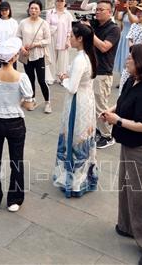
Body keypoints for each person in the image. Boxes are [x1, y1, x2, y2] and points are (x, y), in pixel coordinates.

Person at [102, 44, 142, 265]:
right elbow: (121, 103)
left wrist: (116, 120)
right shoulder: (131, 80)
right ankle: (127, 226)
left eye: (131, 58)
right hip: (129, 143)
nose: (126, 61)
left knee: (140, 196)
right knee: (125, 188)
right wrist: (111, 110)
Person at [0, 37, 34, 212]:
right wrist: (20, 103)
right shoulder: (22, 78)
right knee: (16, 160)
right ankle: (14, 200)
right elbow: (28, 104)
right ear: (14, 57)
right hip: (16, 123)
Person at [53, 23, 98, 197]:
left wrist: (64, 79)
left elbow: (72, 88)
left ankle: (73, 182)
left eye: (71, 36)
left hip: (77, 102)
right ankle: (84, 178)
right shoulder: (88, 55)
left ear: (80, 39)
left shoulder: (80, 59)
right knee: (83, 137)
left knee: (74, 138)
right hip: (86, 99)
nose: (69, 38)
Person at [90, 0, 121, 149]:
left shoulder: (114, 29)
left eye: (101, 10)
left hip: (103, 72)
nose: (97, 12)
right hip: (92, 70)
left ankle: (107, 136)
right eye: (97, 9)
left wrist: (90, 33)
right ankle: (99, 130)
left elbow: (104, 47)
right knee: (92, 104)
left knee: (101, 105)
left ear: (110, 12)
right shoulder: (96, 25)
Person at [17, 0, 52, 113]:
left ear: (40, 10)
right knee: (30, 79)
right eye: (31, 8)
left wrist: (36, 44)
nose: (33, 10)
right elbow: (18, 37)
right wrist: (22, 48)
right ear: (28, 9)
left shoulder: (44, 23)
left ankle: (47, 102)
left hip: (39, 55)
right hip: (26, 55)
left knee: (42, 80)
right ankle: (32, 99)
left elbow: (48, 40)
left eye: (36, 8)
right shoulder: (23, 22)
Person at [119, 3, 142, 90]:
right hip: (132, 55)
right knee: (125, 79)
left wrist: (135, 52)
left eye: (141, 12)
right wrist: (132, 50)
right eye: (137, 12)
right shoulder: (134, 25)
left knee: (139, 83)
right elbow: (130, 39)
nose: (138, 14)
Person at [45, 0, 74, 84]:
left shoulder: (68, 15)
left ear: (65, 2)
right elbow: (46, 26)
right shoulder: (50, 13)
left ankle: (61, 77)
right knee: (51, 58)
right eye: (58, 1)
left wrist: (68, 40)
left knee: (63, 59)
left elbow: (70, 29)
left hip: (63, 38)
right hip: (52, 37)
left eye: (62, 1)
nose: (59, 3)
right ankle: (50, 77)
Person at [113, 0, 138, 79]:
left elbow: (133, 21)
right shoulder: (125, 13)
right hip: (123, 36)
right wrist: (117, 8)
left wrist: (128, 9)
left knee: (129, 57)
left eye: (132, 0)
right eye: (129, 0)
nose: (130, 1)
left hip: (132, 38)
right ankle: (122, 78)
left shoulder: (138, 12)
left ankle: (130, 77)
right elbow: (117, 18)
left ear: (137, 2)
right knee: (122, 57)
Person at [0, 1, 18, 70]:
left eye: (6, 10)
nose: (4, 12)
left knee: (10, 73)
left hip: (10, 51)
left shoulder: (14, 22)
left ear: (9, 10)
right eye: (2, 10)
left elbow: (16, 38)